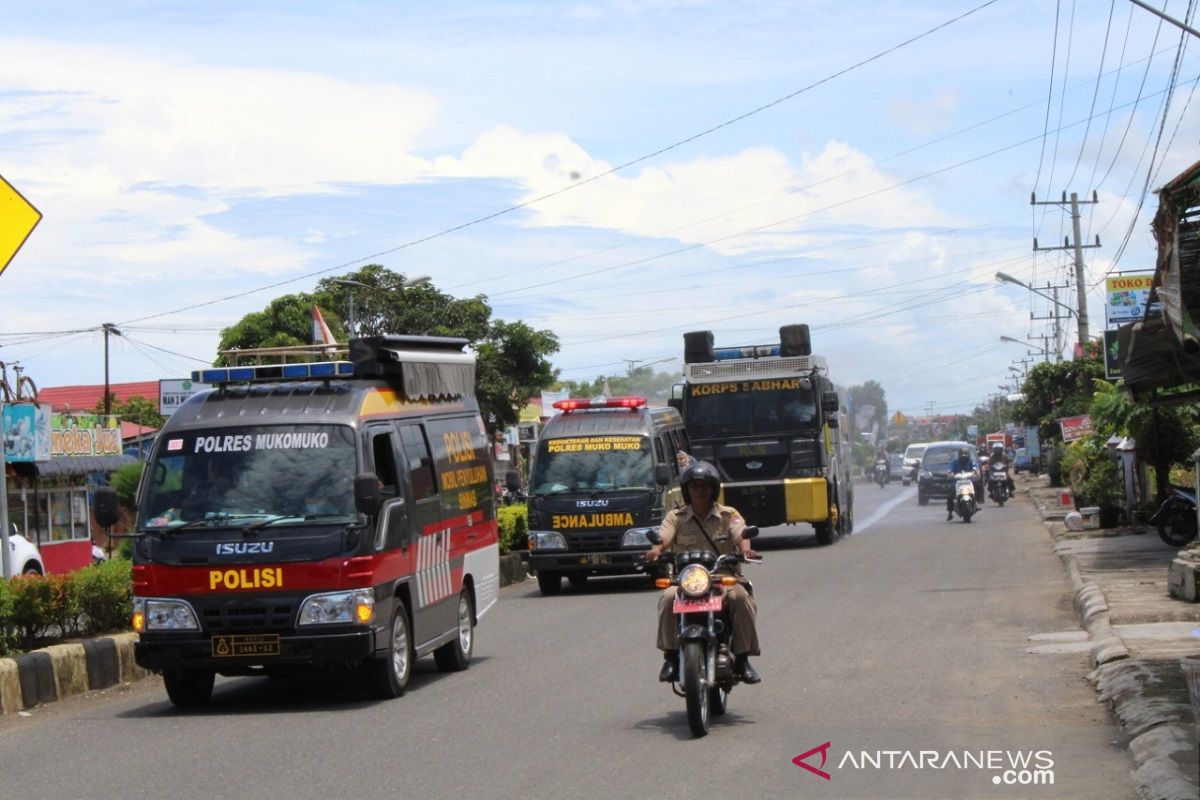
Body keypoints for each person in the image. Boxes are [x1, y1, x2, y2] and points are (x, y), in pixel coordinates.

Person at [645, 460, 762, 684]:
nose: (700, 491)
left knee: (740, 598)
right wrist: (656, 550)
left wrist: (746, 550)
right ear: (687, 489)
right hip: (687, 581)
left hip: (723, 579)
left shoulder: (728, 515)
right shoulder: (676, 517)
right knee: (668, 598)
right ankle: (670, 656)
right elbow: (663, 537)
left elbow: (741, 533)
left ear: (713, 489)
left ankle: (743, 659)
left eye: (705, 486)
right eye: (695, 486)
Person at [946, 446, 976, 521]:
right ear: (959, 455)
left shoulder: (971, 461)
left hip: (968, 481)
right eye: (963, 455)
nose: (964, 457)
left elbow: (976, 468)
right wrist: (950, 474)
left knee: (976, 488)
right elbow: (949, 470)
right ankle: (950, 512)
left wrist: (976, 472)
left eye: (966, 455)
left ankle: (976, 503)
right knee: (950, 495)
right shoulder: (954, 462)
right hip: (957, 482)